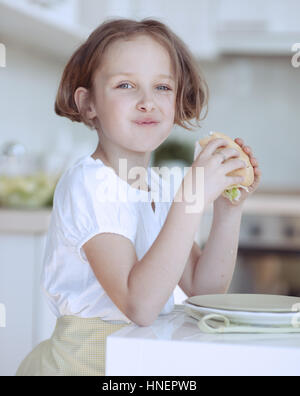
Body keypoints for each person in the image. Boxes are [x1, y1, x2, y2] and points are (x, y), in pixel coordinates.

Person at [16, 17, 261, 376]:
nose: (148, 102)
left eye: (162, 87)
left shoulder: (158, 186)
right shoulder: (89, 184)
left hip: (137, 365)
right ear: (88, 104)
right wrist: (191, 199)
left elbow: (203, 290)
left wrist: (227, 209)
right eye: (126, 85)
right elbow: (140, 305)